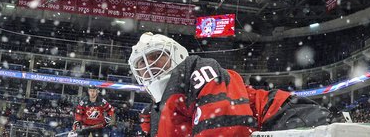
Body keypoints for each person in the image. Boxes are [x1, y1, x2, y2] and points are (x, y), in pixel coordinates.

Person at [128, 32, 337, 137]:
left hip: (284, 117)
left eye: (156, 57)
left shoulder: (196, 70)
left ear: (176, 55)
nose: (149, 67)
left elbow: (226, 127)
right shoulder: (157, 113)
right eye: (141, 65)